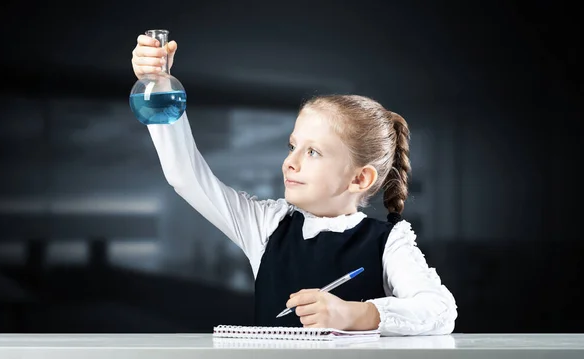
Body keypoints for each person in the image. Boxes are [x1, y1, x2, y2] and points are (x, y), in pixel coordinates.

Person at [131, 34, 458, 336]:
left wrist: (353, 315)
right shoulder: (265, 224)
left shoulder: (389, 242)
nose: (290, 162)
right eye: (293, 147)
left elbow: (440, 311)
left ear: (360, 178)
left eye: (313, 152)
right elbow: (185, 177)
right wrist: (158, 88)